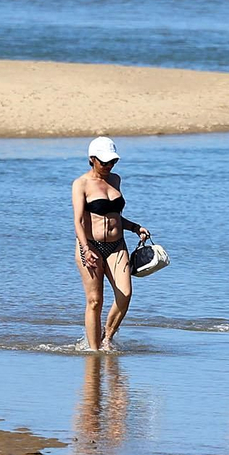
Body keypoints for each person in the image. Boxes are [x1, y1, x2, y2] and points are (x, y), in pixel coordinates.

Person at [72, 136, 151, 352]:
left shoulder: (115, 180)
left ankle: (107, 337)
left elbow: (114, 216)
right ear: (92, 159)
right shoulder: (81, 184)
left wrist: (135, 227)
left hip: (117, 246)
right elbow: (78, 221)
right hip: (90, 246)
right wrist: (86, 249)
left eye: (112, 162)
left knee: (124, 295)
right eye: (104, 162)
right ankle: (94, 351)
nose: (109, 166)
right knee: (95, 301)